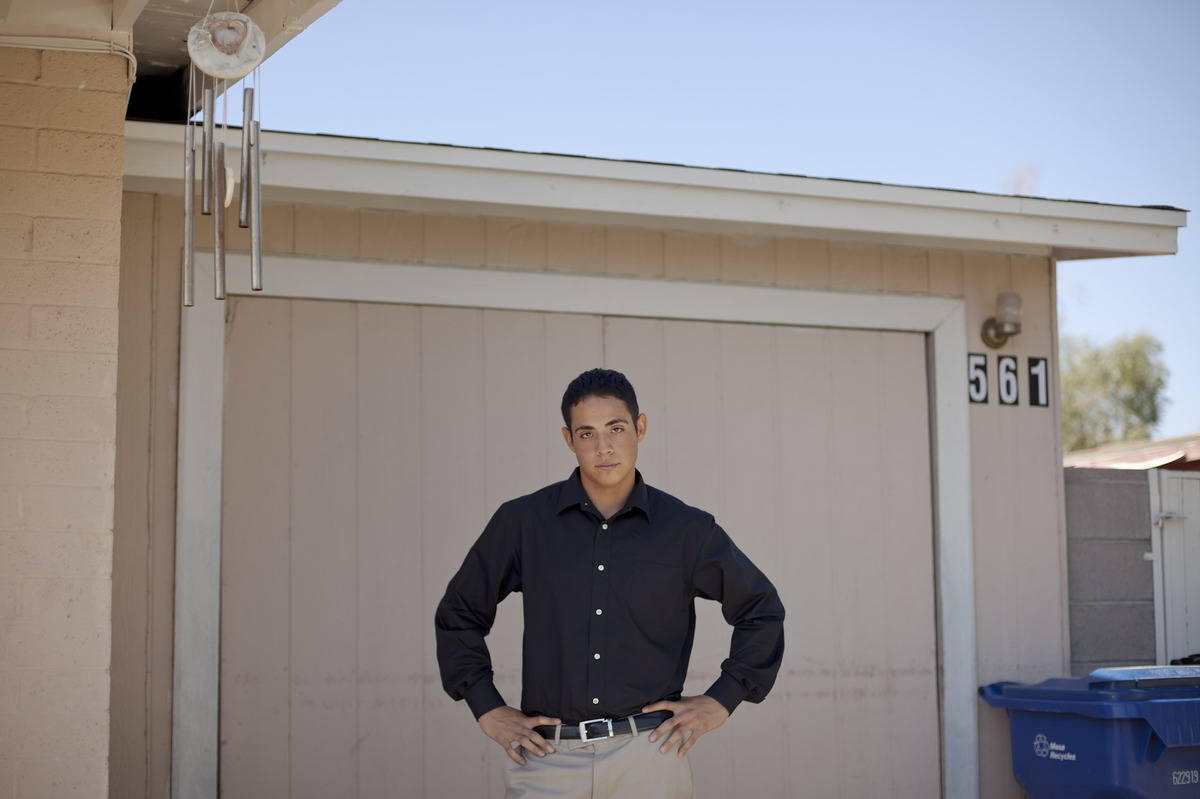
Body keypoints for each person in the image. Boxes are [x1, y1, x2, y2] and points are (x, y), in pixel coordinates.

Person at [435, 368, 785, 798]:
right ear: (569, 440)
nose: (603, 447)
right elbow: (458, 614)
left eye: (616, 428)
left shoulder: (686, 529)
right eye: (587, 433)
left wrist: (722, 699)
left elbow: (761, 610)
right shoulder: (523, 522)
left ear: (640, 427)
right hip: (549, 757)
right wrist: (486, 707)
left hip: (649, 756)